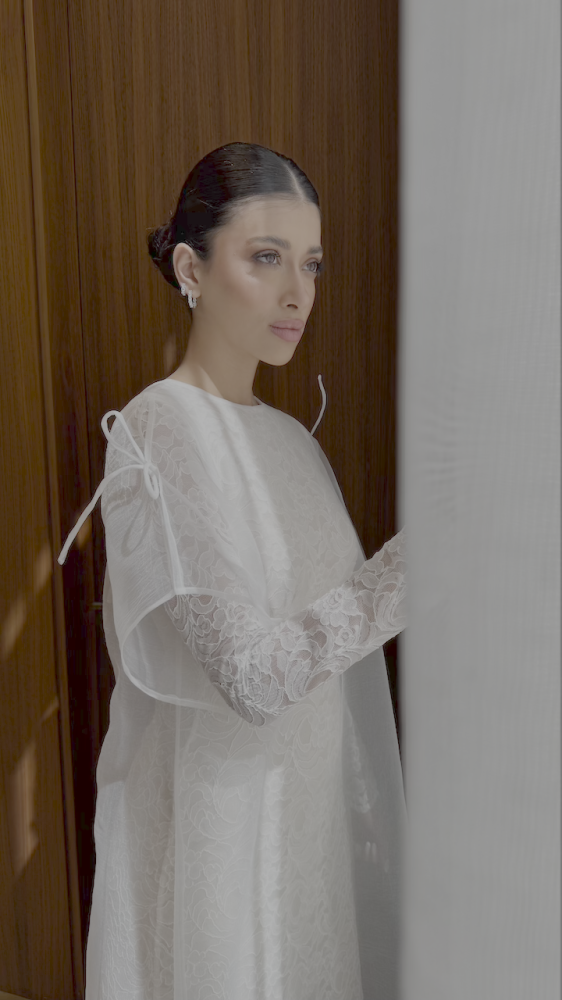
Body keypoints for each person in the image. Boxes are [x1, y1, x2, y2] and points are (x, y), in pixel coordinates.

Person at [58, 142, 408, 1000]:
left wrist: (361, 807)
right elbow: (252, 676)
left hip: (308, 829)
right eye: (266, 257)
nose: (299, 294)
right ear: (191, 268)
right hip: (224, 832)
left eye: (311, 264)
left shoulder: (293, 442)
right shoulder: (159, 428)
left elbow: (334, 659)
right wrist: (417, 566)